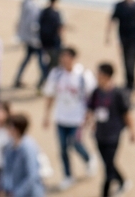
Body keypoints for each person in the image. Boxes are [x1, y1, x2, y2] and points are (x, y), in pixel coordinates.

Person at [42, 47, 95, 190]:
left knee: (75, 143)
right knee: (63, 148)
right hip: (61, 117)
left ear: (73, 58)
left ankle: (88, 158)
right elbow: (50, 95)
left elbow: (92, 97)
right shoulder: (56, 74)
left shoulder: (83, 75)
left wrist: (90, 115)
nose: (64, 60)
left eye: (67, 57)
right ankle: (67, 175)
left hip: (77, 118)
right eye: (62, 57)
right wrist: (46, 115)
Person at [86, 62, 135, 197]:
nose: (97, 77)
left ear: (106, 76)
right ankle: (123, 181)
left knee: (108, 168)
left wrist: (132, 131)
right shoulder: (96, 92)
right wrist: (88, 120)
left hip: (113, 134)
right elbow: (90, 109)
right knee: (109, 163)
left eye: (99, 74)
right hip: (99, 134)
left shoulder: (118, 93)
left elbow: (126, 114)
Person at [0, 112, 44, 197]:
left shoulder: (29, 147)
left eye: (9, 127)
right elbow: (6, 171)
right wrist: (3, 188)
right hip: (13, 191)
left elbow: (32, 176)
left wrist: (17, 193)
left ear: (16, 129)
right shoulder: (9, 146)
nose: (6, 129)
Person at [13, 0, 45, 88]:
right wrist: (35, 37)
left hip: (28, 37)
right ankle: (43, 81)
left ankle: (18, 78)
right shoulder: (30, 4)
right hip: (33, 38)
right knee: (40, 60)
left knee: (28, 59)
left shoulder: (28, 1)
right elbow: (31, 23)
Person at [37, 0, 64, 85]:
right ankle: (47, 83)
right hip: (53, 42)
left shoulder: (44, 11)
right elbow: (60, 28)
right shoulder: (57, 13)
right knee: (53, 64)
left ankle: (43, 82)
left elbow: (39, 24)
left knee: (46, 64)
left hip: (43, 41)